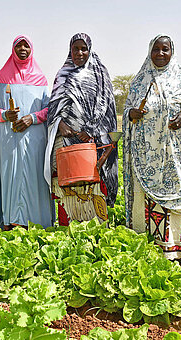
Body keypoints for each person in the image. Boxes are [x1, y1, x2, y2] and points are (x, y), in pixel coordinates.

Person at [122, 34, 181, 260]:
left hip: (175, 157)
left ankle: (177, 250)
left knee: (177, 193)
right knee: (145, 200)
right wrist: (131, 114)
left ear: (172, 52)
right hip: (145, 156)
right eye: (156, 49)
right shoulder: (140, 80)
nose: (160, 54)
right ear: (149, 52)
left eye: (165, 49)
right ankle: (148, 248)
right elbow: (127, 111)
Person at [44, 33, 117, 226]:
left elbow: (107, 108)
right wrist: (60, 124)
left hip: (92, 143)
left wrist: (92, 130)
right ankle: (68, 230)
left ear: (90, 49)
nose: (79, 53)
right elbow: (54, 107)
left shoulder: (100, 74)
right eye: (75, 49)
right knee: (66, 185)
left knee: (93, 185)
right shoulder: (63, 74)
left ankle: (97, 231)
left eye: (83, 48)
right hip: (66, 141)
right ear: (70, 50)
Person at [0, 35, 54, 230]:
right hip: (9, 141)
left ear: (31, 49)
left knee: (34, 179)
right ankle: (10, 220)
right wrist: (6, 115)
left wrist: (31, 118)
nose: (23, 48)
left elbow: (49, 109)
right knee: (11, 177)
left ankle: (36, 221)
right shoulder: (2, 77)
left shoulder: (40, 79)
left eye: (26, 45)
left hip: (34, 140)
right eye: (19, 45)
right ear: (13, 49)